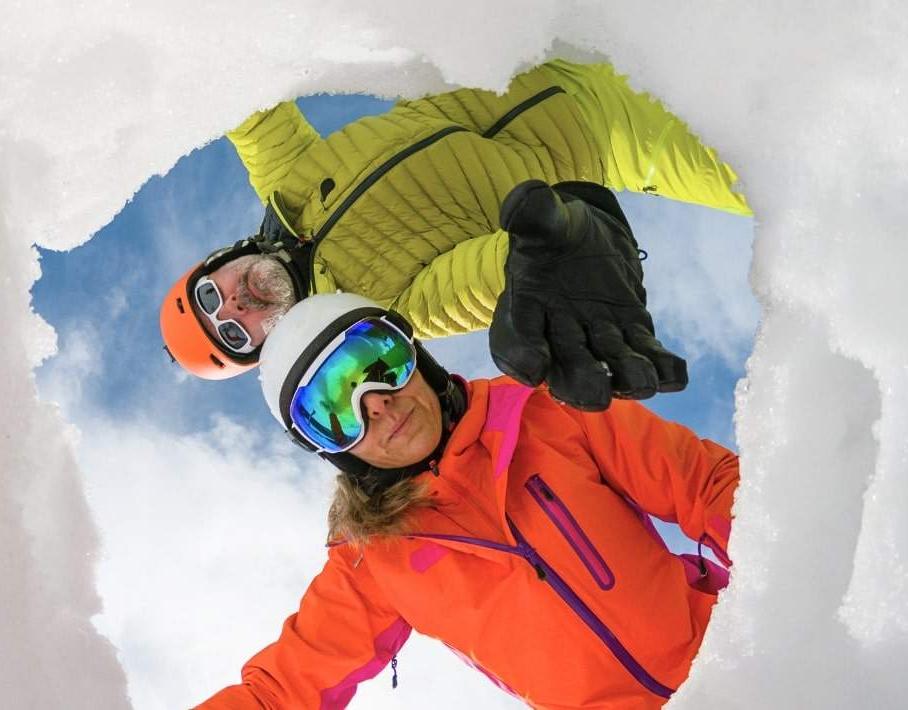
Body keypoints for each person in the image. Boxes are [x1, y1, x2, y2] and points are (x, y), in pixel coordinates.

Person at [193, 292, 739, 709]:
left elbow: (706, 482)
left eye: (377, 365)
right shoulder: (374, 562)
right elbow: (282, 692)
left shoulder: (544, 411)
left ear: (415, 353)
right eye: (335, 412)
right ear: (332, 450)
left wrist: (788, 573)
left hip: (742, 657)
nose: (377, 406)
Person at [161, 58, 750, 410]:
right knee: (775, 164)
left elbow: (242, 95)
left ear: (220, 261)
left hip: (528, 46)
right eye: (236, 332)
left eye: (211, 295)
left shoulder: (286, 185)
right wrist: (545, 257)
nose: (235, 304)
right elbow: (485, 277)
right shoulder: (381, 310)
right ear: (268, 346)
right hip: (616, 136)